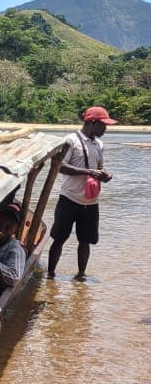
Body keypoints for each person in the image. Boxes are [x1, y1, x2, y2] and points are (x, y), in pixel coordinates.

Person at [46, 105, 116, 282]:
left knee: (85, 241)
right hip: (69, 199)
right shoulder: (71, 141)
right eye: (103, 125)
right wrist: (89, 172)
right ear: (92, 123)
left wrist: (104, 175)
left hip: (91, 202)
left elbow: (99, 168)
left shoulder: (99, 145)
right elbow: (60, 166)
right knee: (59, 238)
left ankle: (80, 276)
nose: (105, 129)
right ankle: (50, 276)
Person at [0, 203, 26, 297]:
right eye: (1, 222)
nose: (2, 228)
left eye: (8, 226)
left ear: (16, 229)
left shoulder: (15, 250)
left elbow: (14, 277)